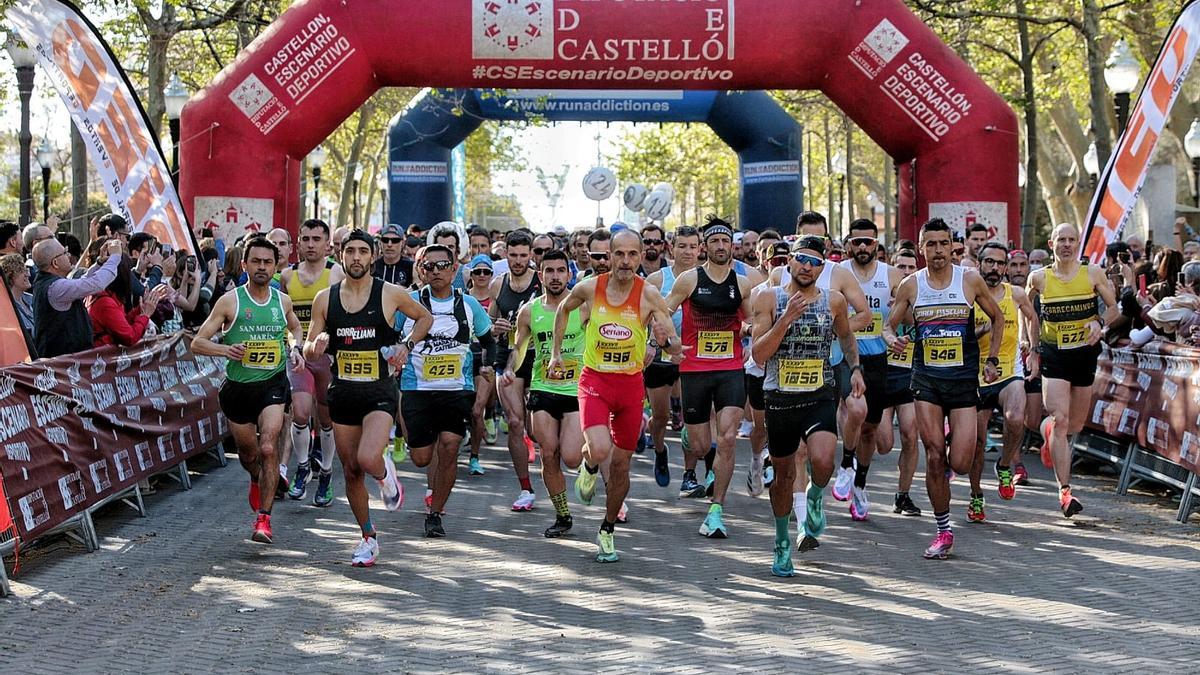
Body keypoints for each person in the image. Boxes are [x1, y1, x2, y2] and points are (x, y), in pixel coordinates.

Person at [551, 229, 681, 563]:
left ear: (641, 257)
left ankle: (607, 528)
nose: (625, 261)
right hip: (595, 381)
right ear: (609, 256)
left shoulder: (649, 294)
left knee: (622, 467)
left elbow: (671, 335)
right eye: (618, 254)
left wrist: (672, 346)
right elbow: (563, 310)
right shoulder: (590, 288)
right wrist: (555, 354)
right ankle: (590, 464)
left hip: (630, 386)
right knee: (600, 448)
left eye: (632, 255)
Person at [306, 231, 433, 565]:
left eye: (363, 251)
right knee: (350, 471)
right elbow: (308, 345)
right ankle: (368, 537)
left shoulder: (390, 294)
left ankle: (386, 474)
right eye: (350, 251)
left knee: (367, 457)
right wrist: (315, 346)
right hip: (343, 392)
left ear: (373, 256)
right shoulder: (325, 298)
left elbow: (425, 317)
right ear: (340, 255)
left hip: (379, 391)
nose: (357, 257)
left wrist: (406, 345)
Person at [884, 218, 1004, 559]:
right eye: (931, 244)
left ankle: (952, 440)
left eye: (943, 243)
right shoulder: (911, 285)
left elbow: (997, 318)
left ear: (953, 246)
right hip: (926, 380)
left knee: (962, 463)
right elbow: (888, 326)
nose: (938, 250)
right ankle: (943, 530)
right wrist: (892, 340)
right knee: (934, 456)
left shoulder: (969, 281)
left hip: (963, 379)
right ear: (921, 248)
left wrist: (992, 360)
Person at [751, 235, 863, 576]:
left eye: (815, 262)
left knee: (823, 460)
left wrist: (856, 369)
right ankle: (782, 541)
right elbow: (758, 354)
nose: (807, 266)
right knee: (784, 476)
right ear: (790, 262)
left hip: (819, 393)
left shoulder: (834, 301)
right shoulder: (768, 298)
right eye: (802, 259)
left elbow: (846, 336)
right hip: (780, 398)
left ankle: (815, 497)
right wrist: (785, 319)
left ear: (823, 268)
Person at [191, 236, 305, 545]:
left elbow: (294, 328)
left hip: (272, 383)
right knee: (248, 454)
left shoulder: (282, 300)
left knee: (268, 447)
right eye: (256, 261)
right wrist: (225, 351)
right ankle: (255, 477)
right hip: (238, 389)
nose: (262, 267)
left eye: (268, 262)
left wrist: (296, 348)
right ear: (245, 264)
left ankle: (264, 520)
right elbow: (197, 342)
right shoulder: (230, 301)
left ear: (276, 266)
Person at [664, 216, 755, 538]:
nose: (720, 246)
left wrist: (751, 333)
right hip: (694, 371)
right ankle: (701, 452)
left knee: (728, 437)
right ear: (706, 247)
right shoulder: (689, 280)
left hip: (730, 369)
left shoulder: (742, 284)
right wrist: (668, 343)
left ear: (732, 246)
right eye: (714, 241)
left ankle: (716, 511)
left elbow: (755, 320)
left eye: (725, 241)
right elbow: (663, 311)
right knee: (702, 444)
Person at [399, 244, 493, 538]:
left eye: (443, 266)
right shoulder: (409, 302)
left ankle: (435, 513)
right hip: (417, 389)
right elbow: (389, 336)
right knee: (421, 459)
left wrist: (488, 368)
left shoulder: (469, 305)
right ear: (421, 271)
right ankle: (406, 444)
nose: (436, 271)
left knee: (450, 447)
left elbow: (490, 341)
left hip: (456, 389)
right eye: (429, 267)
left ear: (455, 269)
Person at [1026, 223, 1120, 518]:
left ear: (1078, 244)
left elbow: (1114, 308)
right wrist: (1031, 347)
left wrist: (1100, 323)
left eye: (1071, 240)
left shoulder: (1092, 274)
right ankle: (1065, 492)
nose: (1066, 244)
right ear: (1051, 243)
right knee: (1061, 417)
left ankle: (1047, 432)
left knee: (1075, 425)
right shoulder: (1039, 278)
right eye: (1061, 240)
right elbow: (1027, 312)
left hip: (1084, 355)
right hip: (1054, 356)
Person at [505, 250, 585, 538]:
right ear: (540, 276)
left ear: (569, 274)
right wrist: (509, 369)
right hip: (542, 387)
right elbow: (519, 347)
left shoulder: (584, 306)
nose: (555, 276)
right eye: (548, 271)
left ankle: (591, 462)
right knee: (548, 453)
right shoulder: (530, 311)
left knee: (573, 457)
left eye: (560, 271)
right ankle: (562, 515)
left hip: (576, 389)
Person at [838, 219, 906, 521]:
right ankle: (846, 463)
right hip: (846, 357)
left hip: (879, 359)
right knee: (855, 409)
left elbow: (908, 309)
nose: (863, 247)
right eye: (857, 241)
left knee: (870, 429)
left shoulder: (891, 275)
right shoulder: (838, 273)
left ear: (877, 245)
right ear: (848, 244)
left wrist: (899, 332)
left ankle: (860, 483)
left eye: (868, 242)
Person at [972, 243, 1039, 518]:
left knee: (1015, 417)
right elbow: (960, 333)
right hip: (975, 375)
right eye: (989, 262)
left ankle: (1004, 464)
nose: (995, 268)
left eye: (1001, 263)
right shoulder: (970, 294)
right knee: (976, 441)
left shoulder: (1017, 294)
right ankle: (976, 496)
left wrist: (1034, 351)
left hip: (1008, 370)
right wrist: (983, 328)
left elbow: (1033, 318)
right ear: (980, 264)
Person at [281, 219, 344, 506]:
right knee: (301, 414)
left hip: (327, 357)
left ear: (327, 243)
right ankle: (303, 466)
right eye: (305, 239)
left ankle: (327, 472)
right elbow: (284, 318)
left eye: (316, 239)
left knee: (327, 418)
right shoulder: (287, 275)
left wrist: (330, 341)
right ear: (298, 243)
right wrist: (292, 344)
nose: (310, 244)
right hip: (299, 355)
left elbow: (344, 315)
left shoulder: (336, 274)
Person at [489, 230, 542, 511]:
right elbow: (488, 323)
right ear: (506, 254)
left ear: (531, 255)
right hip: (505, 358)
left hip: (538, 359)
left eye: (524, 255)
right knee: (514, 422)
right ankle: (525, 488)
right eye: (514, 255)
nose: (519, 260)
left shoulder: (541, 284)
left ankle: (537, 448)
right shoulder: (498, 285)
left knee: (537, 429)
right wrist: (494, 327)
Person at [645, 226, 700, 488]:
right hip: (661, 357)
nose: (687, 251)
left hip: (695, 355)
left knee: (693, 416)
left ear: (700, 249)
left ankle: (689, 475)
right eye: (682, 246)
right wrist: (654, 343)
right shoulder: (656, 280)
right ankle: (659, 451)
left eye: (692, 246)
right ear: (671, 248)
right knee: (659, 417)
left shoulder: (707, 277)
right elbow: (641, 317)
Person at [877, 248, 922, 516]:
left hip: (909, 375)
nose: (906, 273)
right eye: (901, 267)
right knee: (883, 444)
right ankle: (860, 477)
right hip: (882, 374)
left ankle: (903, 495)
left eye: (910, 267)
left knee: (910, 434)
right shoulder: (880, 298)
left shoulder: (922, 297)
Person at [30, 237, 124, 358]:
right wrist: (115, 257)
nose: (68, 255)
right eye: (64, 252)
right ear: (55, 263)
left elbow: (81, 282)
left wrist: (100, 263)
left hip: (66, 362)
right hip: (62, 365)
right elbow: (96, 284)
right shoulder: (55, 287)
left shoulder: (49, 283)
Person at [87, 255, 166, 347]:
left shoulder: (110, 296)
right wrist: (145, 315)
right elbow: (129, 337)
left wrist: (142, 307)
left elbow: (121, 323)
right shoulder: (105, 302)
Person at [466, 254, 497, 473]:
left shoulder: (496, 299)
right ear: (472, 275)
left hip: (486, 356)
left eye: (486, 272)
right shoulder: (464, 298)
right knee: (463, 410)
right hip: (463, 357)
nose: (482, 276)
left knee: (477, 411)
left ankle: (474, 458)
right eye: (478, 272)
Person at [1, 254, 35, 337]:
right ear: (10, 276)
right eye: (22, 271)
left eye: (26, 270)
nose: (28, 274)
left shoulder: (31, 299)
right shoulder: (5, 309)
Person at [373, 223, 415, 288]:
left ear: (402, 243)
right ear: (380, 243)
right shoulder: (372, 267)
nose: (389, 244)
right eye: (385, 240)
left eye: (395, 240)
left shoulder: (411, 267)